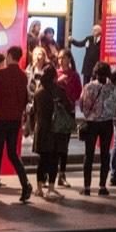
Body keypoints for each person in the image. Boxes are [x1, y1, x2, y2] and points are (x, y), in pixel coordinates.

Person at [0, 44, 31, 203]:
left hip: (0, 118)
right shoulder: (23, 76)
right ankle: (25, 184)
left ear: (9, 56)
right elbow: (25, 99)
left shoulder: (0, 74)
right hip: (15, 120)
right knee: (12, 153)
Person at [33, 58, 74, 198]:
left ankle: (39, 188)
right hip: (56, 130)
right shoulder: (59, 91)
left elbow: (34, 111)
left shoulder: (39, 92)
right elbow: (69, 107)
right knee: (54, 160)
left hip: (42, 130)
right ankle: (51, 188)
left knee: (42, 160)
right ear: (55, 77)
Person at [78, 61, 116, 196]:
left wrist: (89, 114)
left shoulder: (88, 87)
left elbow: (82, 104)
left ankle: (87, 187)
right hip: (107, 124)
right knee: (105, 154)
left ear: (95, 73)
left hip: (91, 124)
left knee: (89, 155)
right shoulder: (112, 88)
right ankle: (102, 186)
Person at [54, 49, 82, 188]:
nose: (60, 60)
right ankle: (51, 174)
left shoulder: (74, 75)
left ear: (69, 59)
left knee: (64, 145)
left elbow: (78, 93)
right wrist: (58, 82)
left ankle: (62, 174)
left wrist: (68, 96)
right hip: (56, 111)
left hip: (68, 111)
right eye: (59, 58)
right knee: (54, 144)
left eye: (63, 57)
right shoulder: (54, 73)